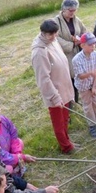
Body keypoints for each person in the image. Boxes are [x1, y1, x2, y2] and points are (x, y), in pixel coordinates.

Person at [30, 19, 76, 154]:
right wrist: (54, 97)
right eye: (51, 35)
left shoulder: (53, 40)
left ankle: (67, 140)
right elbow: (43, 79)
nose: (54, 37)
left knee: (65, 118)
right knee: (59, 122)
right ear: (43, 33)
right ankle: (66, 147)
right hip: (55, 92)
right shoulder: (39, 52)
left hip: (65, 87)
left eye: (56, 34)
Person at [0, 98, 36, 181]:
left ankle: (17, 166)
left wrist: (17, 153)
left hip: (9, 153)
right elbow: (0, 154)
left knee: (20, 142)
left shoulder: (3, 119)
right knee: (8, 168)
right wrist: (21, 157)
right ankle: (10, 179)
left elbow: (13, 135)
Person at [54, 0, 87, 104]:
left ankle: (79, 99)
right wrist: (72, 44)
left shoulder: (76, 20)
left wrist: (81, 39)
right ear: (63, 9)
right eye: (70, 10)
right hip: (65, 55)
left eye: (75, 10)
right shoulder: (56, 22)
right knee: (69, 79)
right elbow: (56, 38)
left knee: (79, 76)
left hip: (77, 52)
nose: (73, 13)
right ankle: (72, 101)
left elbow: (84, 31)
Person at [72, 32, 96, 138]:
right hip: (83, 86)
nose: (93, 46)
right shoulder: (76, 59)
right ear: (82, 45)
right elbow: (81, 76)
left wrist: (94, 85)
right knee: (88, 105)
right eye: (90, 45)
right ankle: (92, 125)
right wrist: (90, 73)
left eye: (94, 44)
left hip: (94, 83)